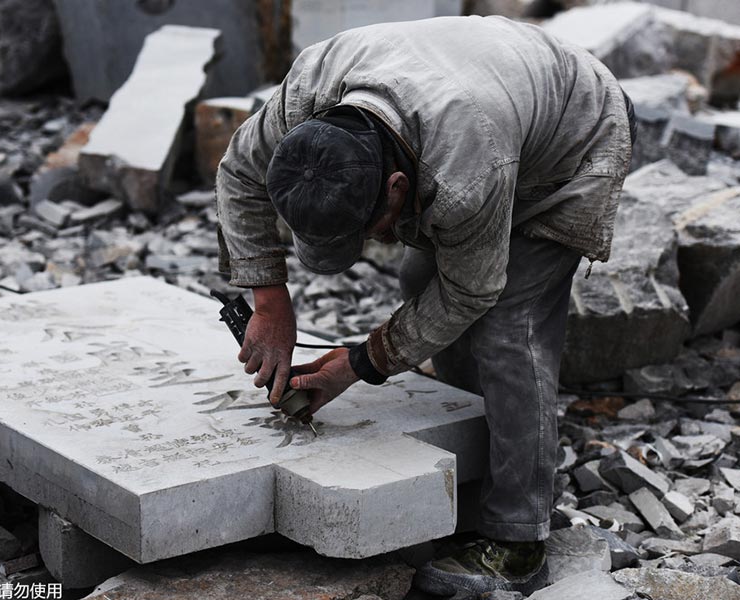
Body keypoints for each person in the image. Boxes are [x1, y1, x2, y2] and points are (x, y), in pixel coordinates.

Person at [215, 14, 634, 598]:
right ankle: (474, 461)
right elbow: (237, 172)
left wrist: (357, 365)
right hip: (482, 97)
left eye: (370, 231)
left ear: (394, 189)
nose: (372, 243)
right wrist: (268, 300)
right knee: (421, 276)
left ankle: (517, 541)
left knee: (509, 328)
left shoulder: (467, 170)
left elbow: (471, 290)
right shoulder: (303, 98)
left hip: (570, 135)